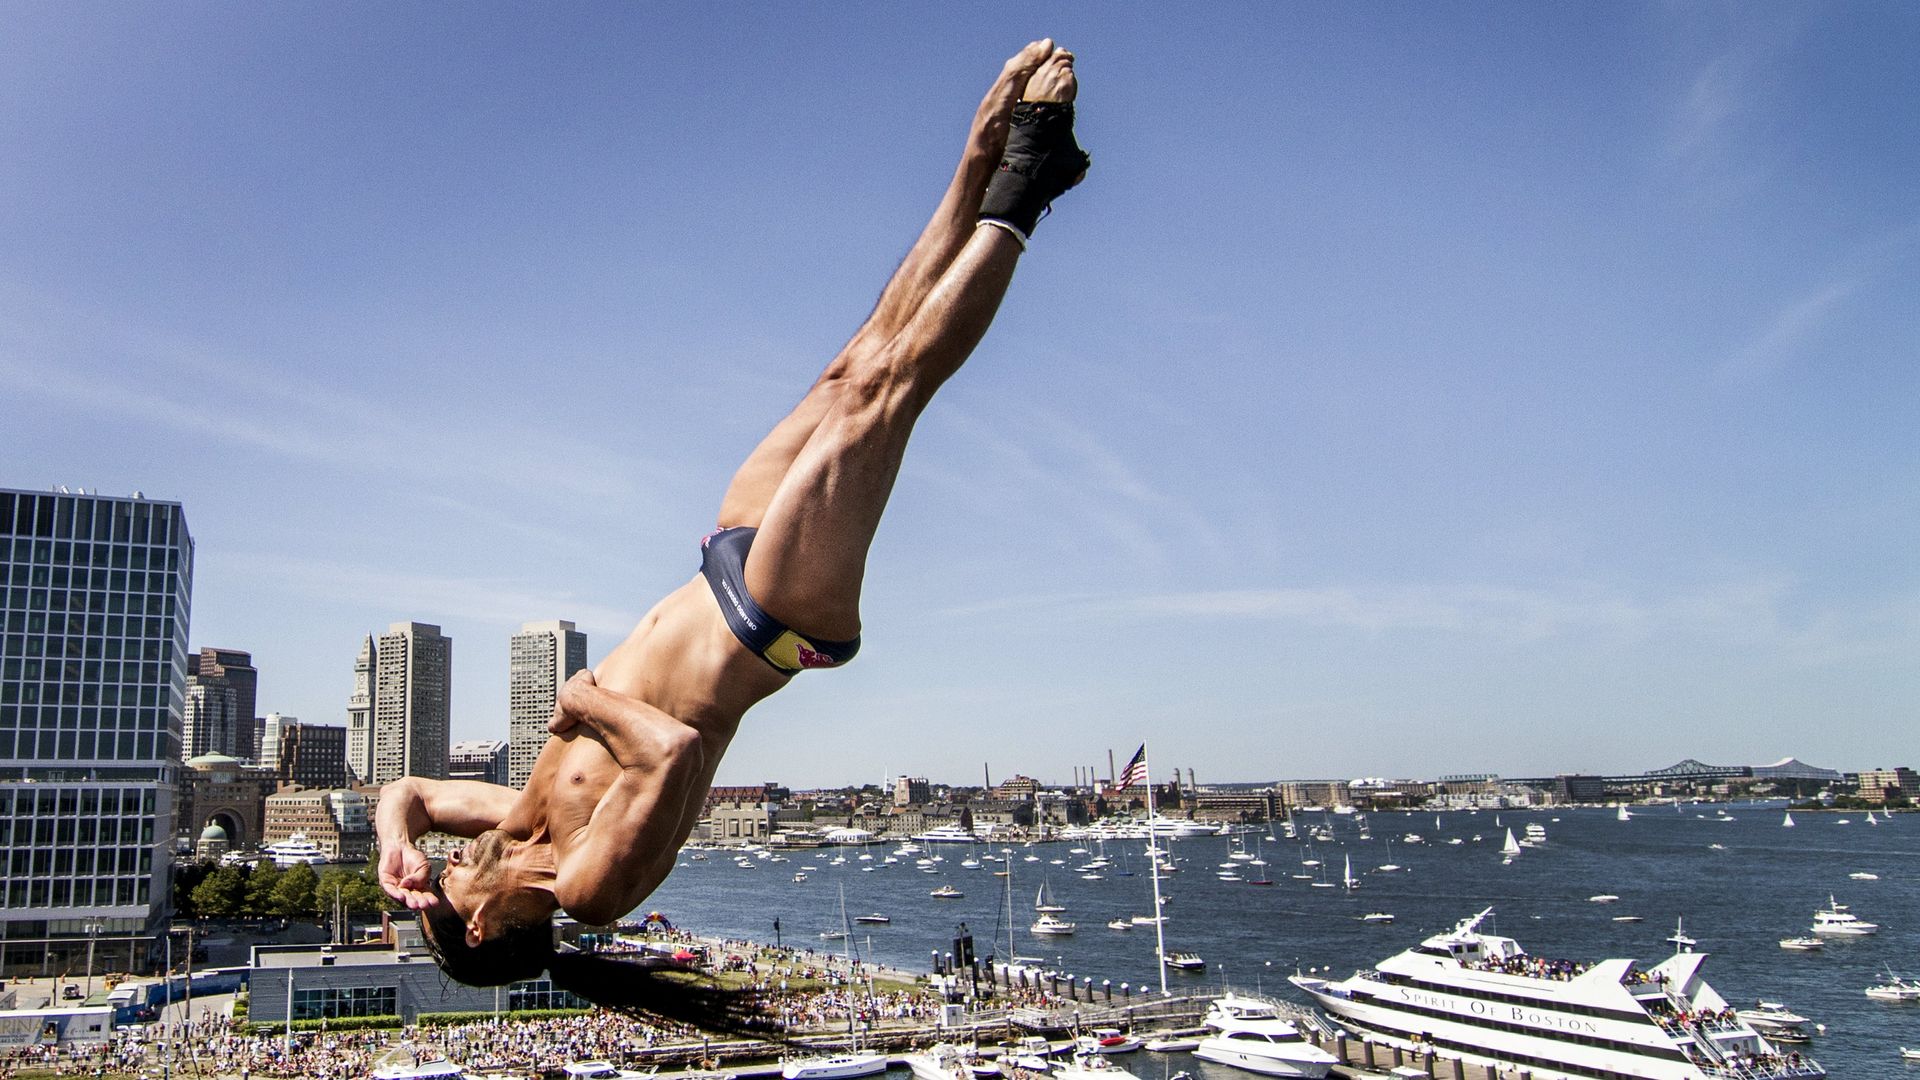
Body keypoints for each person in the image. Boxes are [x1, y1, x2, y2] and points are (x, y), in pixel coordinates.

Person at [373, 39, 1089, 1022]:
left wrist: (392, 845)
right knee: (887, 394)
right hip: (774, 620)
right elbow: (667, 752)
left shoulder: (512, 820)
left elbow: (410, 792)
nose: (446, 869)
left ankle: (979, 152)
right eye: (442, 892)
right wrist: (586, 700)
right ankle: (1023, 185)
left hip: (722, 563)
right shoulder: (588, 886)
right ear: (486, 926)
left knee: (850, 366)